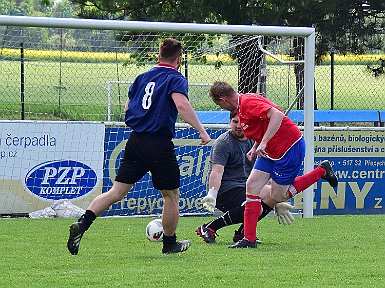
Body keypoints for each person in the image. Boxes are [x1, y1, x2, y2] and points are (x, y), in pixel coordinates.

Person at [67, 38, 211, 255]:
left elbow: (127, 108)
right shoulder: (176, 78)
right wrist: (201, 130)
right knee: (171, 195)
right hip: (159, 142)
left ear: (158, 56)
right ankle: (170, 243)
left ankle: (83, 224)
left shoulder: (141, 77)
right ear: (179, 59)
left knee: (116, 191)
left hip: (135, 140)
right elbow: (181, 105)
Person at [209, 81, 338, 248]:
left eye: (219, 104)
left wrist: (263, 142)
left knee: (277, 196)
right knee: (252, 186)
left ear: (223, 99)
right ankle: (249, 239)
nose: (221, 108)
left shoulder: (248, 103)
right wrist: (256, 146)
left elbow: (277, 115)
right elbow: (262, 125)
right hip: (269, 150)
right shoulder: (242, 106)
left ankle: (321, 171)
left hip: (288, 149)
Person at [195, 111, 295, 245]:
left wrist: (276, 200)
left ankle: (244, 233)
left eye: (241, 122)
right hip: (226, 191)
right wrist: (212, 194)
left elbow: (265, 172)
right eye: (235, 122)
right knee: (256, 206)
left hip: (246, 186)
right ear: (230, 122)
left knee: (271, 196)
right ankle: (210, 227)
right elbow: (217, 172)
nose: (238, 126)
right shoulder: (223, 143)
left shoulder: (255, 142)